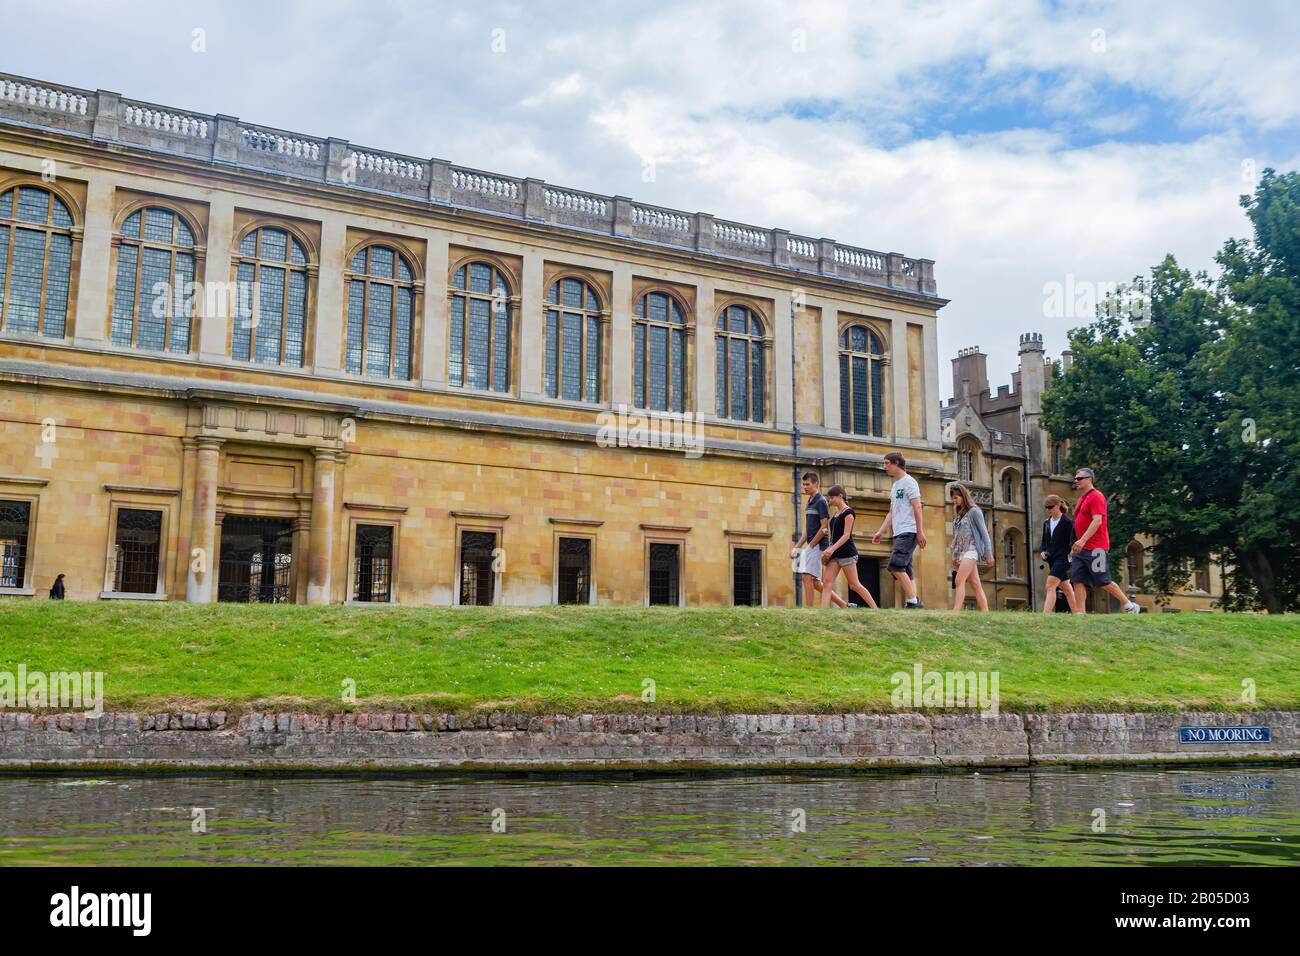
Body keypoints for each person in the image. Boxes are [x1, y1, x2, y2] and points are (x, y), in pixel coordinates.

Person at [1068, 467, 1141, 614]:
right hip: (1080, 549)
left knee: (1103, 580)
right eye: (1075, 478)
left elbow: (1097, 521)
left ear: (1090, 479)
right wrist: (1075, 544)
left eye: (1079, 478)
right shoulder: (1082, 498)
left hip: (1096, 548)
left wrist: (1082, 540)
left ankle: (1130, 606)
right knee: (1077, 580)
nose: (1076, 481)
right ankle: (1079, 614)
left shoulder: (1096, 496)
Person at [871, 452, 926, 608]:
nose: (885, 467)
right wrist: (881, 531)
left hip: (909, 531)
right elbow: (892, 512)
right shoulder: (895, 486)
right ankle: (912, 602)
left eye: (887, 463)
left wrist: (920, 531)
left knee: (895, 565)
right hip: (899, 531)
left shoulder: (910, 482)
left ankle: (914, 602)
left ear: (896, 463)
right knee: (907, 568)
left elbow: (917, 507)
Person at [789, 472, 845, 607]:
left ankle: (809, 610)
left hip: (819, 545)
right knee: (815, 582)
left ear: (816, 484)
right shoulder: (809, 502)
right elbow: (808, 529)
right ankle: (843, 604)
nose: (805, 487)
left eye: (808, 484)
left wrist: (811, 545)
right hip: (812, 545)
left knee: (806, 576)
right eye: (803, 484)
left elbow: (824, 527)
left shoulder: (821, 501)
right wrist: (797, 547)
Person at [820, 485, 879, 608]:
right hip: (835, 555)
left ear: (840, 496)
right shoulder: (836, 514)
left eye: (831, 498)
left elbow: (846, 535)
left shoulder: (849, 513)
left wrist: (832, 548)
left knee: (854, 585)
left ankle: (875, 609)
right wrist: (829, 548)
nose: (829, 501)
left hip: (847, 553)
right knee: (827, 583)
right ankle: (823, 611)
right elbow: (835, 535)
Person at [948, 483, 994, 611]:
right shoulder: (959, 514)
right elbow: (957, 537)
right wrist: (955, 555)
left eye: (956, 497)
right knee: (975, 584)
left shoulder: (974, 511)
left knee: (958, 580)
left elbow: (985, 534)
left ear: (963, 496)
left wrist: (989, 555)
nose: (954, 500)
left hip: (971, 550)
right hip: (962, 552)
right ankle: (986, 613)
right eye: (953, 498)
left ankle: (956, 611)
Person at [1038, 495, 1077, 613]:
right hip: (1052, 559)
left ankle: (1045, 615)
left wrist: (1071, 552)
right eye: (1046, 507)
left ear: (1058, 505)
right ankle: (1078, 613)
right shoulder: (1047, 523)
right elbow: (1044, 541)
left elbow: (1073, 540)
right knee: (1066, 587)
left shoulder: (1067, 522)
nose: (1048, 509)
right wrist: (1042, 551)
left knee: (1050, 585)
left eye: (1050, 507)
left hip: (1063, 559)